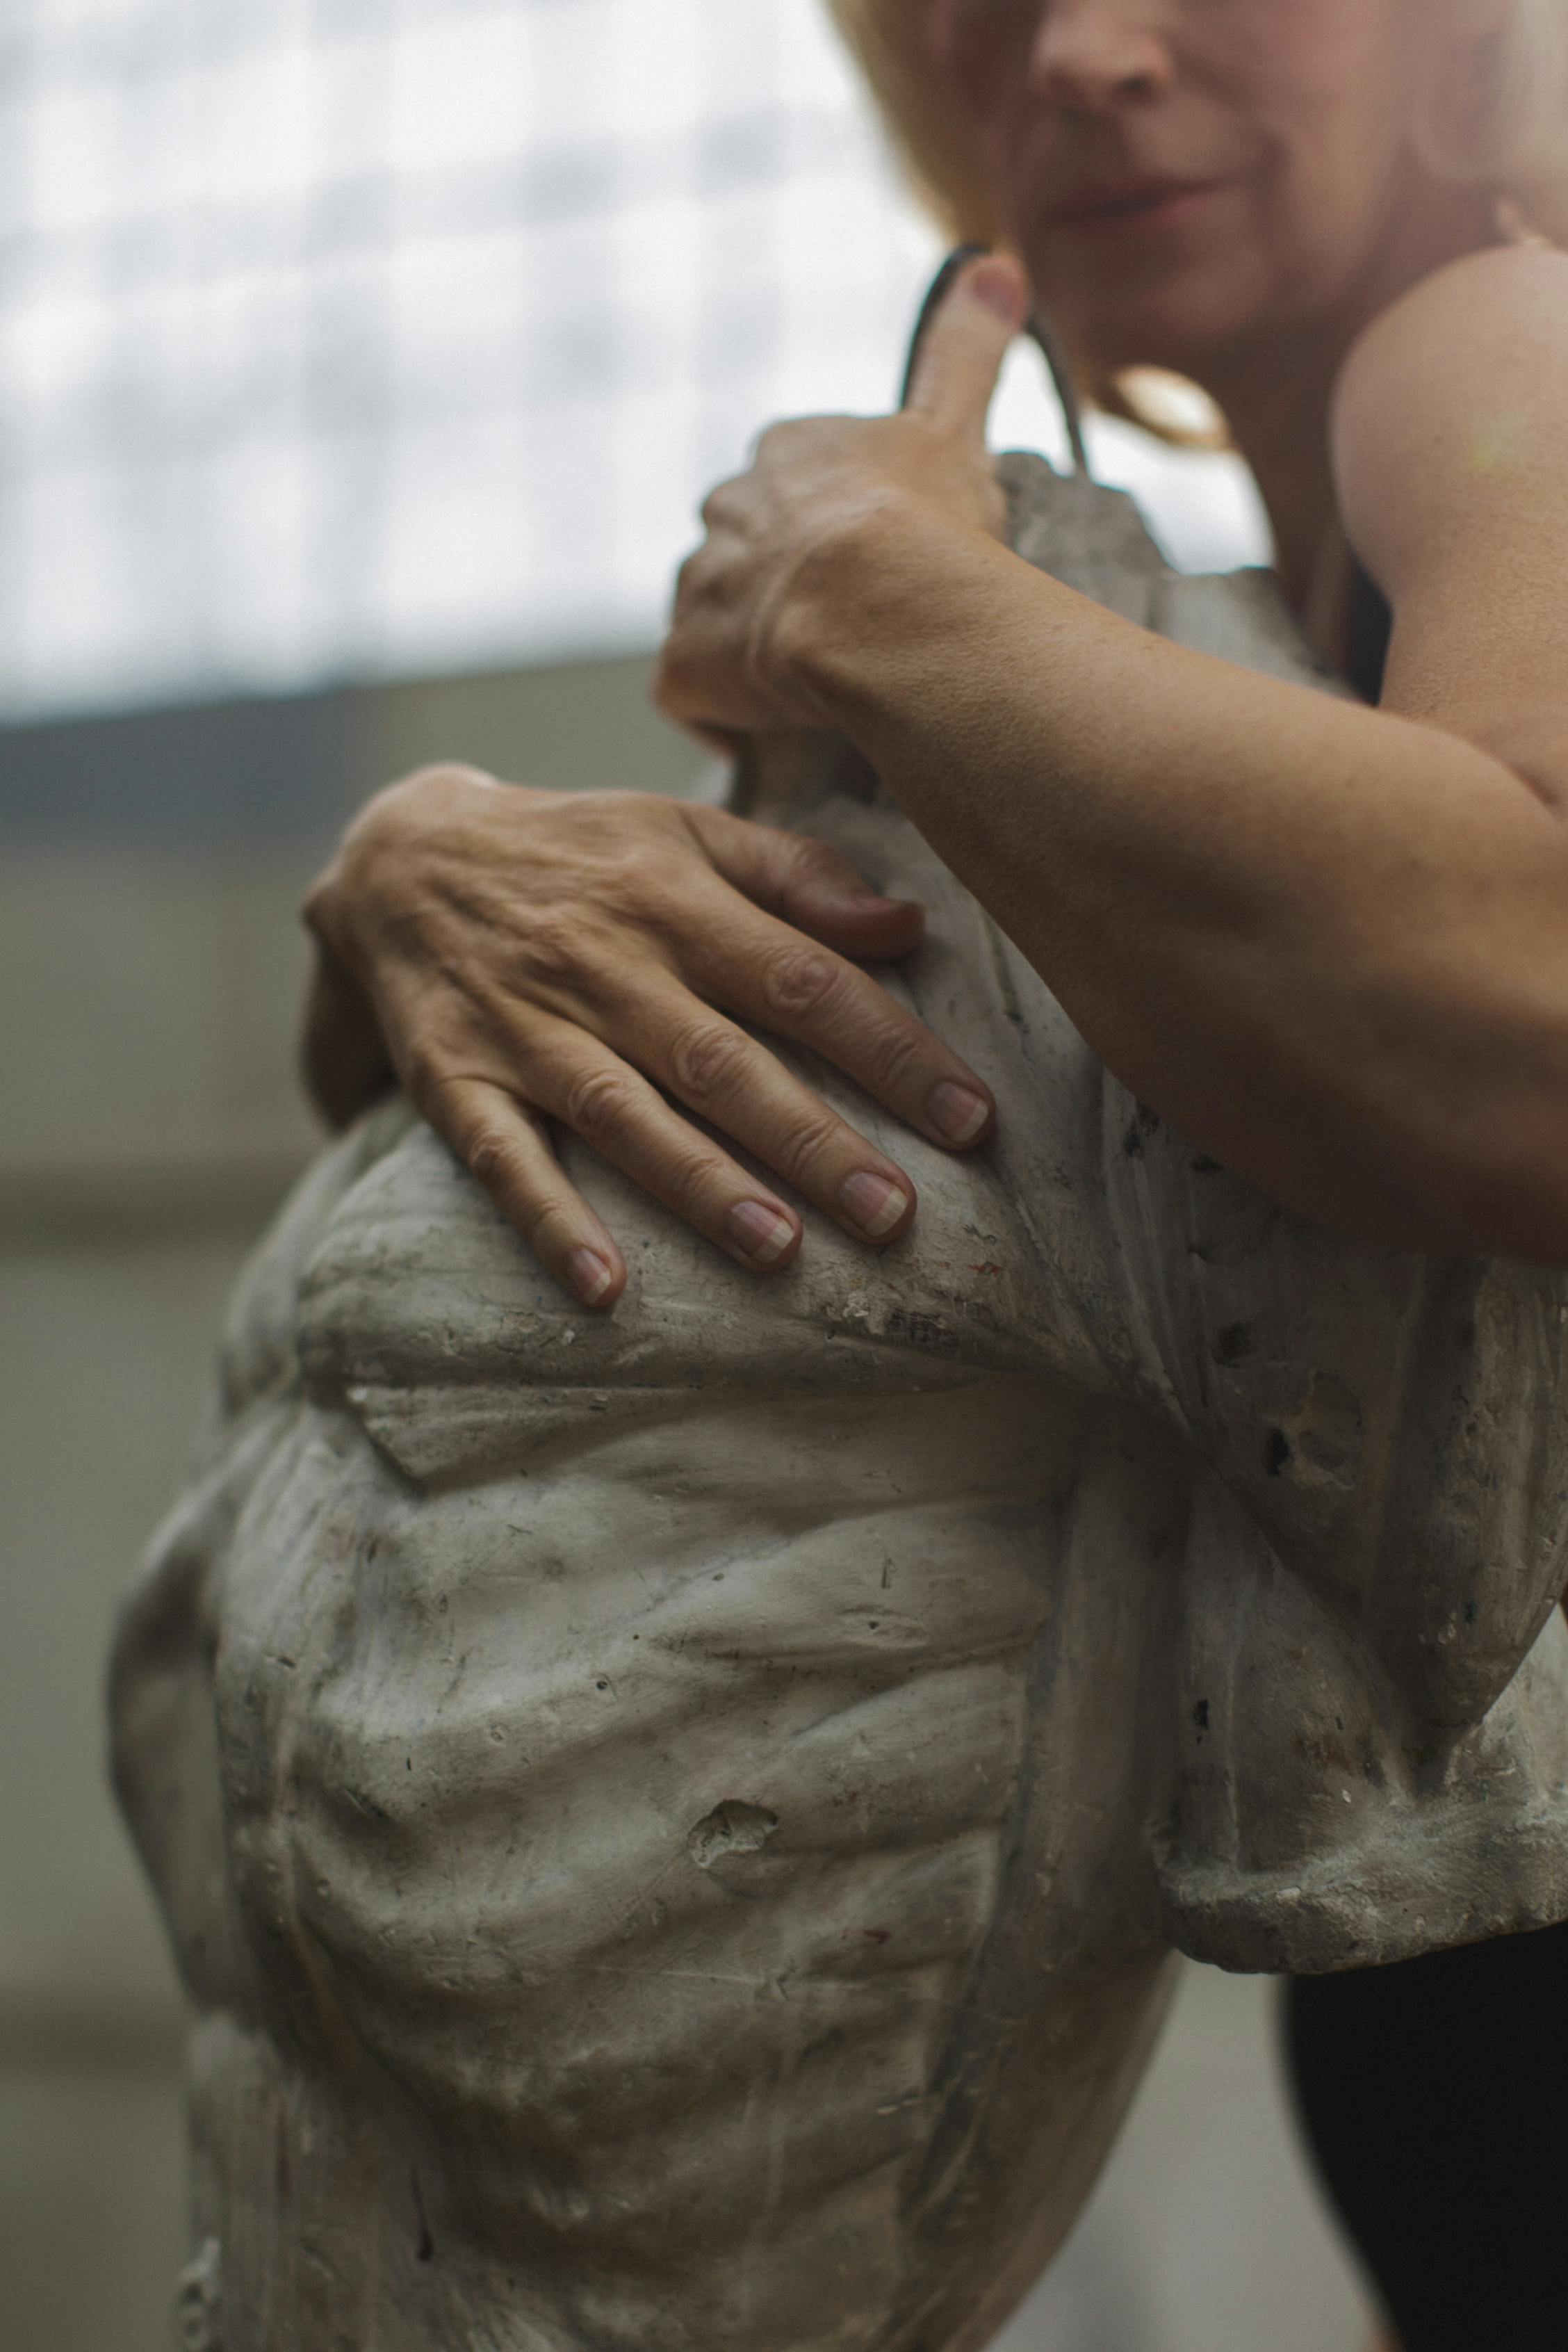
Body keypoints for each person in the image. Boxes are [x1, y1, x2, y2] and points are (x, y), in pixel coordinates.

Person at [299, 3, 1568, 2344]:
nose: (1081, 56)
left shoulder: (1493, 331)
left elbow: (1535, 1013)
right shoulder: (1279, 605)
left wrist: (861, 586)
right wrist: (416, 859)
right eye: (986, 9)